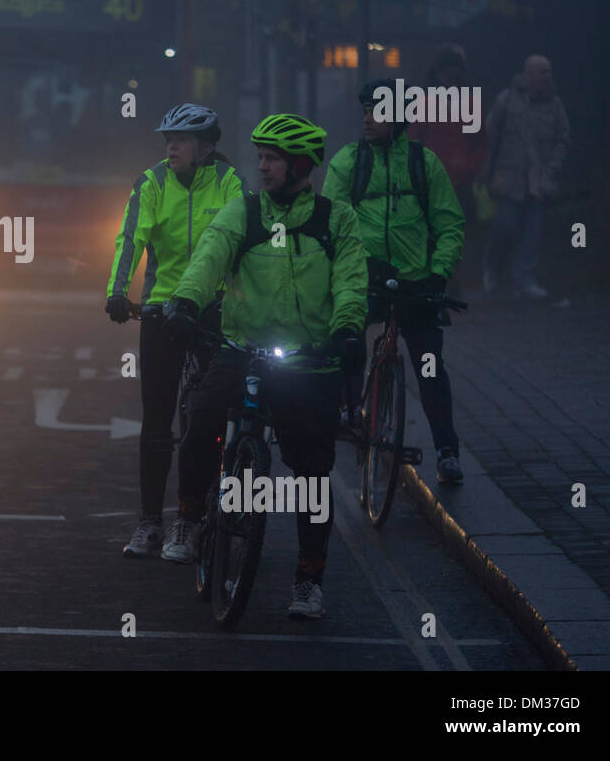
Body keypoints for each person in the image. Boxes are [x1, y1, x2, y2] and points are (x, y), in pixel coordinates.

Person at [164, 114, 367, 618]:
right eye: (260, 158)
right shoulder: (244, 212)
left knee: (313, 475)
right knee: (200, 425)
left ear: (300, 165)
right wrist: (186, 301)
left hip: (308, 361)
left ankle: (308, 581)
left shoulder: (335, 219)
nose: (263, 167)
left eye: (273, 159)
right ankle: (188, 517)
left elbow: (350, 281)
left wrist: (347, 329)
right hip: (244, 348)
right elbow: (209, 257)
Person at [106, 103, 245, 561]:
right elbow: (131, 238)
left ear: (206, 147)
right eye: (168, 138)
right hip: (163, 310)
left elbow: (239, 246)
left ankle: (188, 521)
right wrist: (117, 292)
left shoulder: (229, 184)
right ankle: (149, 523)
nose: (171, 146)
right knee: (157, 420)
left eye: (181, 140)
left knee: (207, 418)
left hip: (212, 310)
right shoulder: (152, 182)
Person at [323, 79, 468, 484]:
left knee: (429, 367)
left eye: (378, 112)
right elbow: (333, 223)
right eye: (365, 110)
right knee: (347, 340)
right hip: (366, 276)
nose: (368, 119)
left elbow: (450, 224)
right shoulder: (348, 162)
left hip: (417, 283)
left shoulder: (425, 163)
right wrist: (359, 264)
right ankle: (351, 412)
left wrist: (439, 273)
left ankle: (447, 451)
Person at [481, 55, 570, 299]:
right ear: (528, 74)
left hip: (538, 180)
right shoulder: (506, 100)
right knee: (505, 227)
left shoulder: (555, 105)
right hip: (508, 179)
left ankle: (525, 281)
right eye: (542, 72)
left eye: (549, 71)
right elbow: (489, 134)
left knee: (533, 232)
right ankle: (492, 268)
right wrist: (487, 171)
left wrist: (552, 168)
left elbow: (563, 138)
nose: (547, 76)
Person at [404, 45, 488, 297]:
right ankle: (445, 282)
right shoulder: (427, 104)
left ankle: (447, 281)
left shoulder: (463, 104)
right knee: (443, 235)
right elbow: (413, 141)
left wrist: (470, 168)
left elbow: (480, 142)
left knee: (448, 235)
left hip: (454, 181)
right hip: (437, 182)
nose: (451, 79)